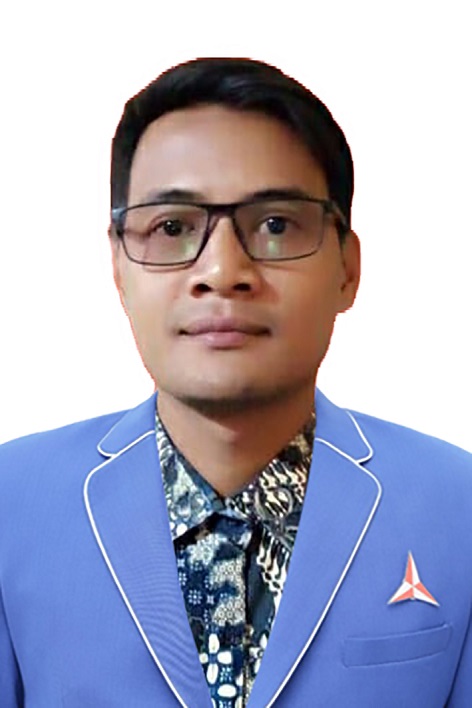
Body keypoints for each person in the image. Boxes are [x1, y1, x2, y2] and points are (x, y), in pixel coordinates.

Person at [0, 57, 471, 708]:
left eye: (275, 225)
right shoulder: (11, 504)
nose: (223, 271)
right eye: (172, 228)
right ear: (118, 268)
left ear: (347, 268)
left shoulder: (458, 506)